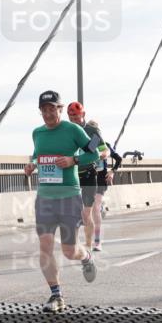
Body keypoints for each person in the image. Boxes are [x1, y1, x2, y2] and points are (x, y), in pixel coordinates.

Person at [24, 90, 101, 313]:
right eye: (44, 109)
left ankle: (85, 256)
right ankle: (56, 295)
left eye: (53, 109)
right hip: (45, 198)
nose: (49, 113)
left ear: (60, 109)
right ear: (40, 111)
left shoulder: (73, 129)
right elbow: (38, 155)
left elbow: (94, 153)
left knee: (69, 251)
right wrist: (32, 166)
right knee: (45, 245)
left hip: (69, 196)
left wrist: (73, 160)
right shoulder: (37, 133)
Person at [66, 102, 110, 251]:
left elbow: (104, 150)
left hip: (89, 174)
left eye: (76, 116)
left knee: (86, 213)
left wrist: (99, 156)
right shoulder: (66, 130)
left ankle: (90, 243)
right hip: (72, 175)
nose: (73, 119)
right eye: (71, 116)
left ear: (83, 115)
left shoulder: (91, 130)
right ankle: (76, 244)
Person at [91, 133, 122, 246]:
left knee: (96, 207)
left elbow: (118, 159)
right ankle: (100, 207)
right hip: (87, 179)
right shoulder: (83, 145)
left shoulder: (106, 145)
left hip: (101, 179)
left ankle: (97, 241)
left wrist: (112, 172)